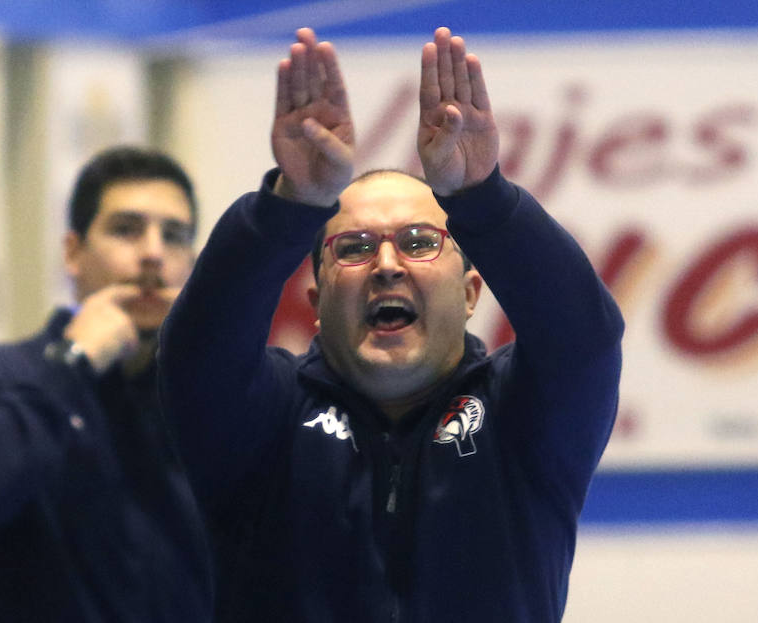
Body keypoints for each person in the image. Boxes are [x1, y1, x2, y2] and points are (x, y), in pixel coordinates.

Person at [160, 27, 624, 623]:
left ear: (469, 292)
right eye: (352, 248)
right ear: (317, 296)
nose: (385, 266)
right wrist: (291, 207)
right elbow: (199, 348)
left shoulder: (522, 420)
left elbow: (583, 341)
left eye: (418, 242)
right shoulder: (265, 419)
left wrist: (482, 198)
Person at [0, 146, 212, 623]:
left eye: (174, 236)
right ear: (73, 252)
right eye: (126, 229)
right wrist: (73, 363)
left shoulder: (205, 399)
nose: (153, 253)